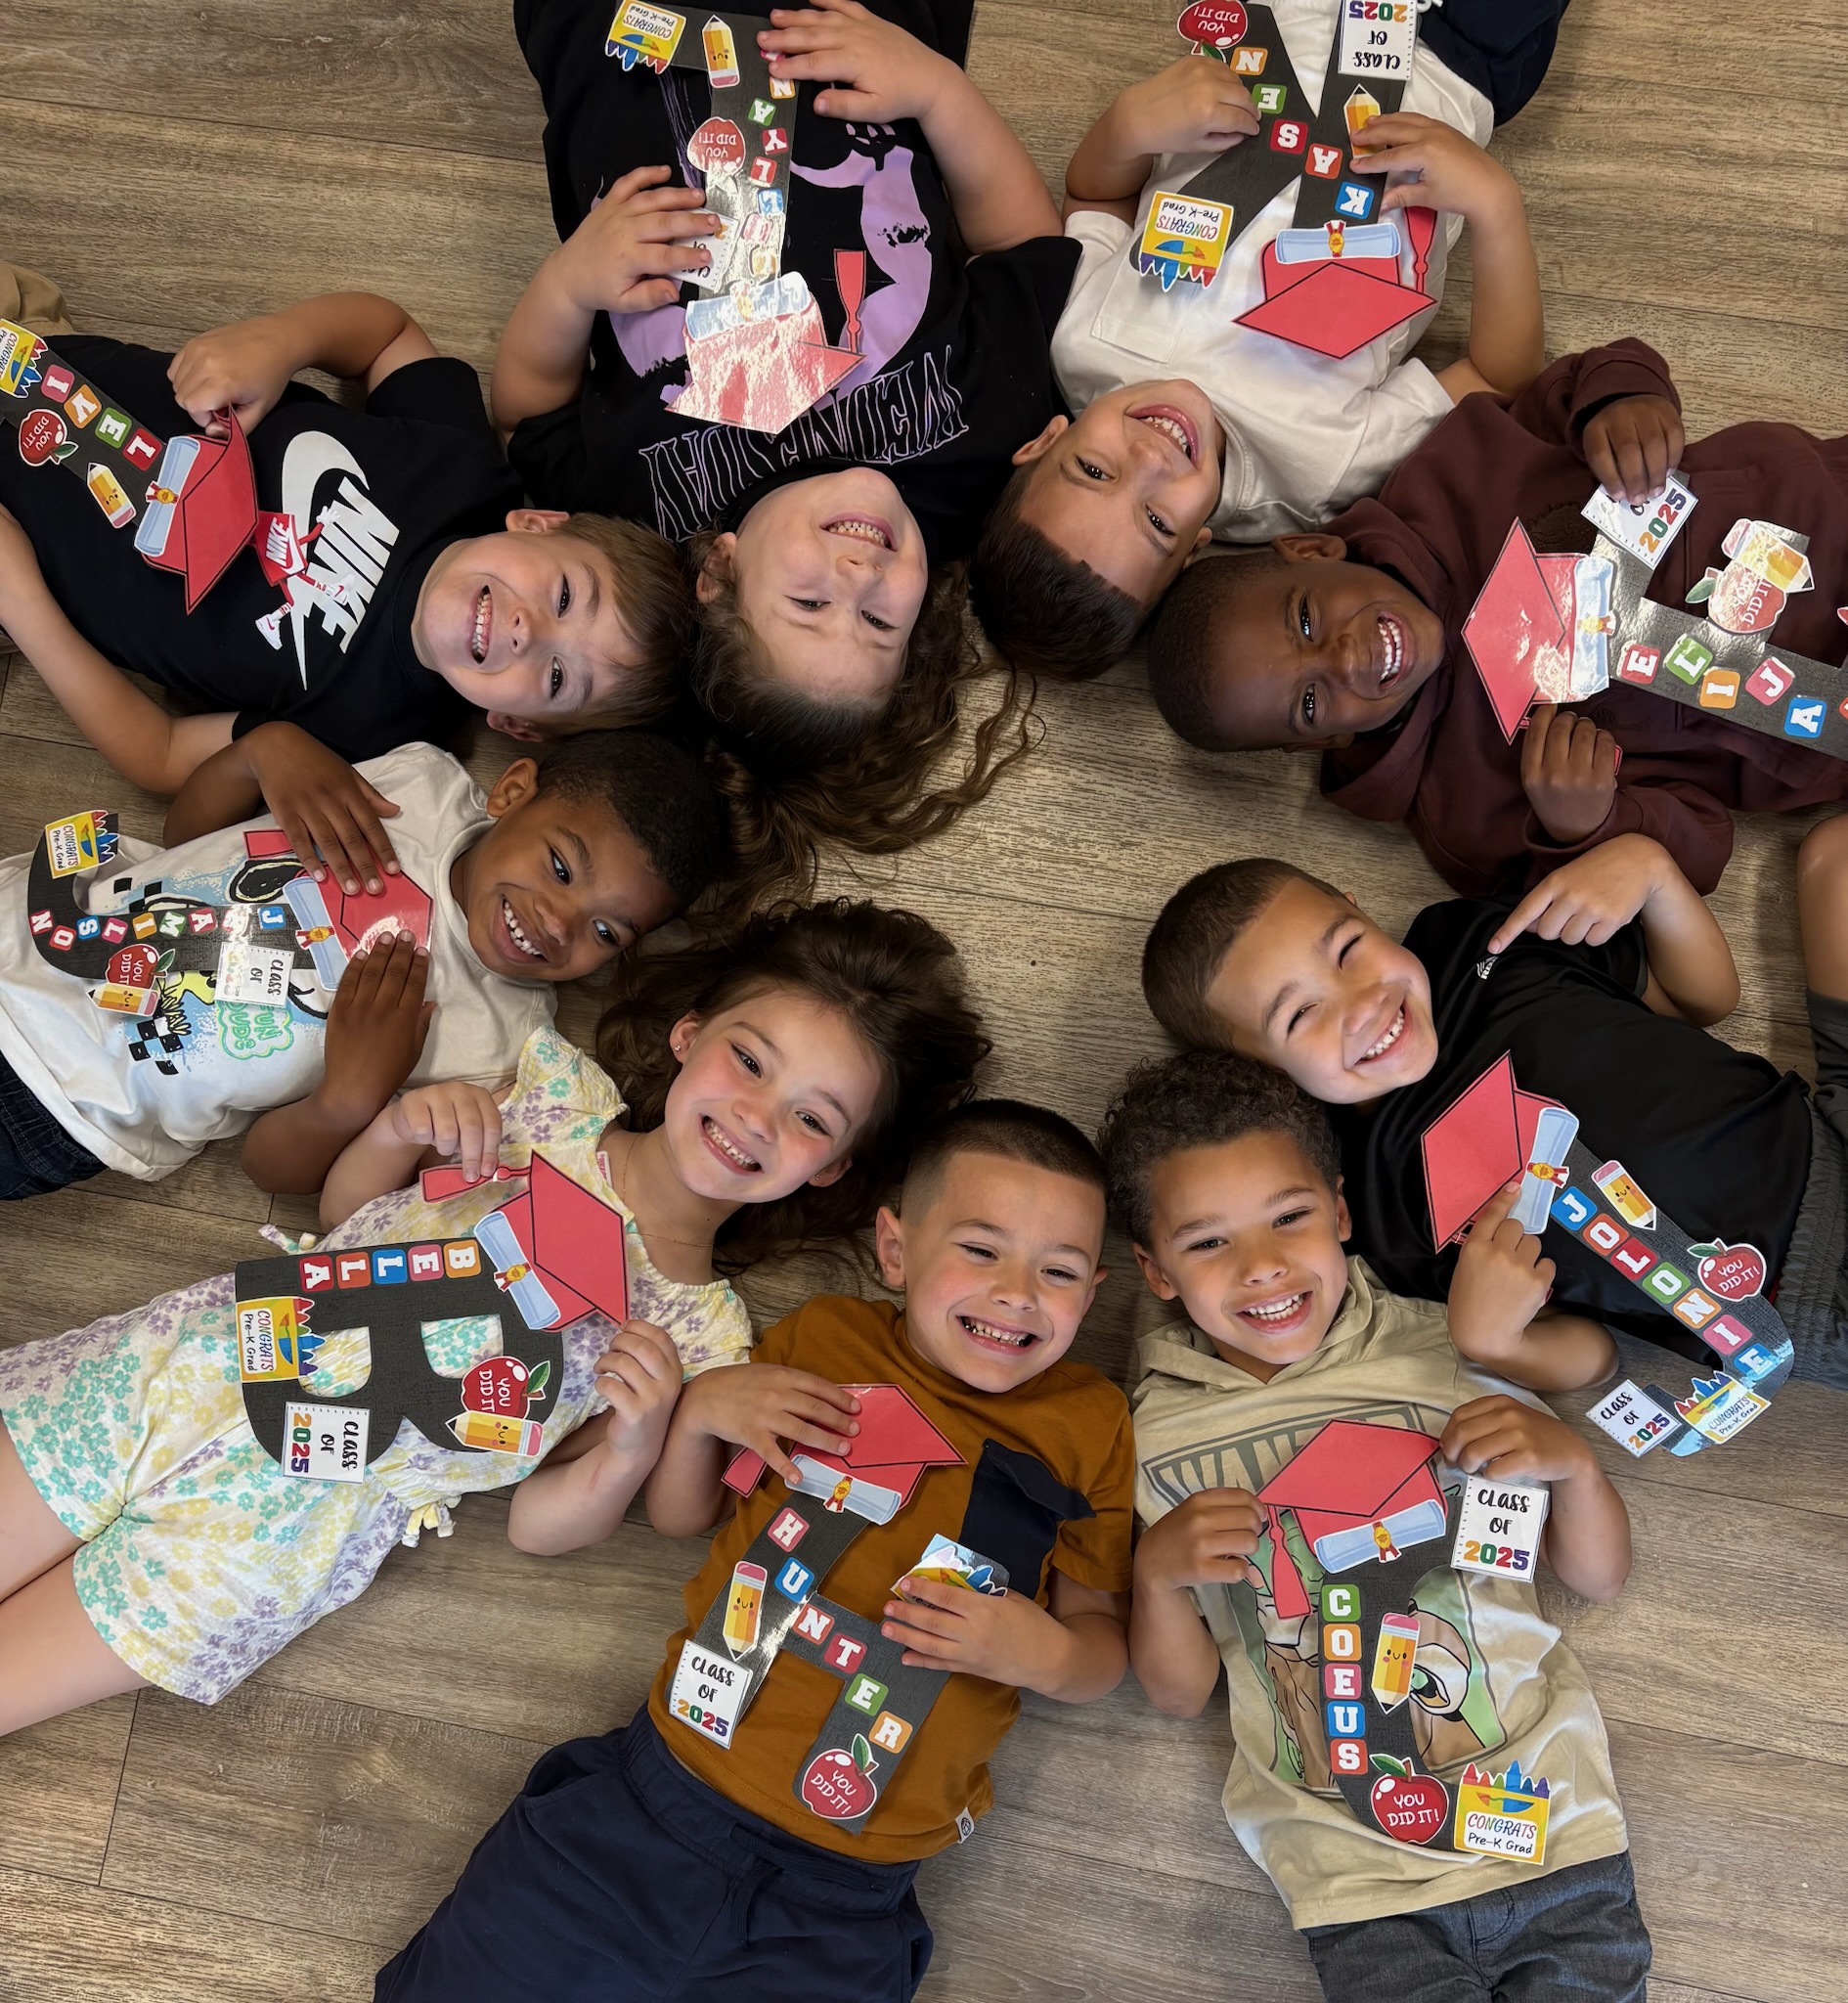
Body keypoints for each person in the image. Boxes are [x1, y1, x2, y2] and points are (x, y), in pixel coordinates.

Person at [0, 897, 990, 1737]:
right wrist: (400, 1125)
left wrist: (632, 1445)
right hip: (195, 1366)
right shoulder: (550, 1098)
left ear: (832, 1165)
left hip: (282, 1528)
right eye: (750, 1060)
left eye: (813, 1118)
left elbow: (536, 1525)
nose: (758, 1117)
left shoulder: (701, 1338)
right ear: (689, 1036)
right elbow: (344, 1219)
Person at [374, 1097, 1134, 2002]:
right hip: (657, 1803)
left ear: (1093, 1294)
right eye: (981, 1250)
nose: (1017, 1293)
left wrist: (1042, 1654)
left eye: (1059, 1271)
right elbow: (685, 1515)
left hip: (846, 1893)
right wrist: (702, 1412)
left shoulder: (1092, 1423)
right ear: (895, 1250)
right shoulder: (824, 1339)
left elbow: (1100, 1648)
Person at [1101, 1051, 1649, 2000]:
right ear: (1154, 1269)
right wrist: (1154, 1574)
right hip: (1350, 1876)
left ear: (1341, 1212)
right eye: (1209, 1241)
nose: (1262, 1264)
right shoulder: (1144, 1438)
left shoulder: (1445, 1344)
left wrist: (1575, 1464)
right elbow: (1179, 1694)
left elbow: (1599, 1577)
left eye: (1289, 1217)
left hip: (1551, 1826)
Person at [496, 0, 1067, 888]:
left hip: (620, 39)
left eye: (808, 603)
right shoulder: (972, 452)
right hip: (850, 25)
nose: (858, 577)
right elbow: (1024, 248)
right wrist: (938, 91)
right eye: (878, 622)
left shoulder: (645, 509)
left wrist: (568, 286)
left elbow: (526, 412)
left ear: (718, 572)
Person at [972, 0, 1562, 677]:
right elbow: (1495, 378)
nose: (1149, 458)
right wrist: (1494, 204)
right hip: (1455, 67)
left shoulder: (1078, 345)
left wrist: (1126, 127)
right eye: (1157, 522)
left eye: (1095, 471)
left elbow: (1096, 199)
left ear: (1045, 441)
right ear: (1195, 547)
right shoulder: (1315, 474)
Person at [1144, 335, 1848, 895]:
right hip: (1826, 716)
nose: (1345, 658)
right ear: (1323, 742)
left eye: (1304, 620)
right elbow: (1693, 852)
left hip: (1820, 507)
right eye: (1308, 701)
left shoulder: (1452, 469)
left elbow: (1583, 379)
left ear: (1311, 550)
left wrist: (1623, 401)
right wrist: (1590, 828)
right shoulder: (1470, 818)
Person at [1139, 837, 1848, 1389]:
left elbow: (1701, 1000)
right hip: (1794, 1297)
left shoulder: (1478, 942)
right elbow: (1597, 1355)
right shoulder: (1377, 1204)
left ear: (1360, 910)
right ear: (1264, 1075)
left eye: (1349, 949)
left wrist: (1654, 873)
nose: (1362, 1003)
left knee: (1832, 853)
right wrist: (1494, 1342)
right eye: (1300, 1015)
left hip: (1820, 1127)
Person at [0, 279, 694, 813]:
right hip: (39, 366)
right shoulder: (465, 472)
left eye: (557, 678)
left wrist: (21, 600)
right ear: (539, 524)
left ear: (517, 724)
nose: (528, 632)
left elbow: (163, 754)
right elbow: (388, 336)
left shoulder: (378, 736)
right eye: (565, 596)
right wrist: (280, 341)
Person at [0, 729, 723, 1199]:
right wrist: (261, 752)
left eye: (604, 930)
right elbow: (188, 837)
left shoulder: (499, 1047)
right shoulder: (417, 786)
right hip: (21, 920)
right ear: (511, 793)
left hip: (63, 1105)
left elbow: (269, 1171)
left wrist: (349, 1097)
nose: (558, 923)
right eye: (560, 866)